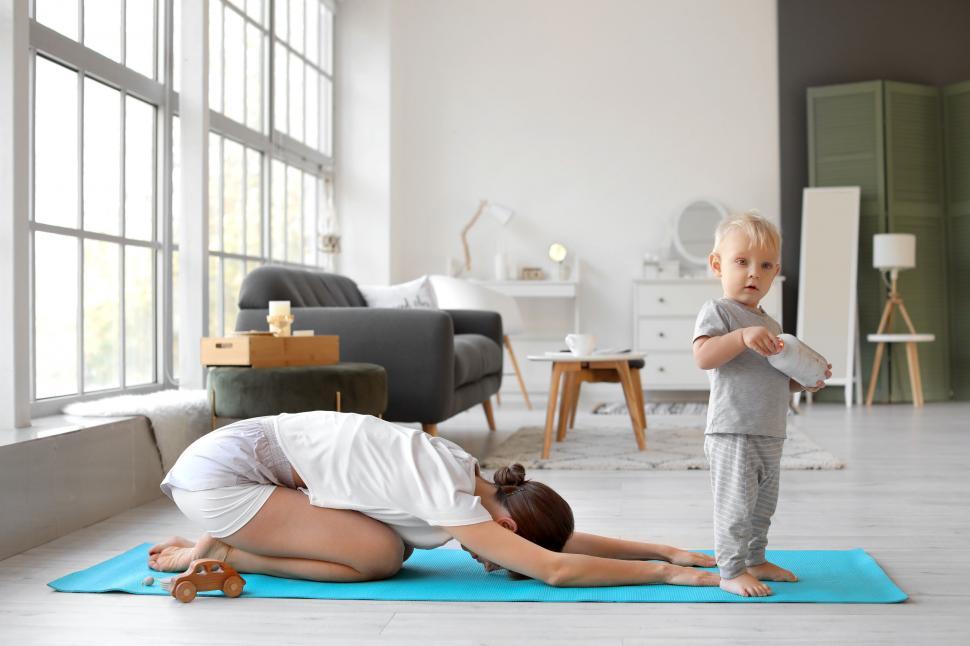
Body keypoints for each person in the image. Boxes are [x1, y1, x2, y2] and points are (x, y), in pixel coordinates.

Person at [149, 410, 720, 588]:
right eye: (502, 561)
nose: (491, 563)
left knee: (386, 546)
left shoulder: (473, 474)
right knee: (378, 558)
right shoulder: (449, 493)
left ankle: (226, 542)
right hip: (222, 481)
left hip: (240, 459)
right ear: (508, 529)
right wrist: (665, 575)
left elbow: (555, 542)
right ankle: (227, 550)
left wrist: (665, 548)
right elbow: (555, 567)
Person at [692, 211, 832, 598]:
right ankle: (731, 569)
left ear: (775, 272)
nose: (753, 273)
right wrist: (740, 336)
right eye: (742, 262)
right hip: (732, 428)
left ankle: (755, 558)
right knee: (735, 507)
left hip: (770, 429)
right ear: (717, 264)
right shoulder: (718, 311)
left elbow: (775, 378)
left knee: (761, 508)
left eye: (765, 265)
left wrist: (805, 381)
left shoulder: (770, 324)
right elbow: (703, 357)